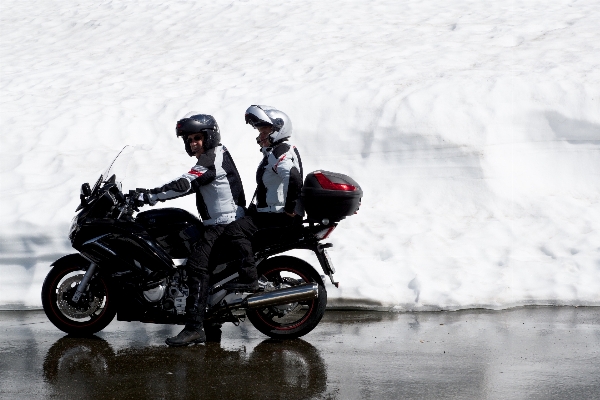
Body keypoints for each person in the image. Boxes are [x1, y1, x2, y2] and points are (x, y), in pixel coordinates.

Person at [135, 112, 246, 346]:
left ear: (210, 136)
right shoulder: (214, 155)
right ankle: (211, 316)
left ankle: (194, 327)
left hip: (224, 224)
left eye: (197, 138)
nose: (193, 143)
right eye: (189, 139)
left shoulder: (211, 159)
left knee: (197, 266)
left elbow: (185, 184)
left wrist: (151, 195)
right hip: (222, 221)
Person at [220, 105, 303, 291]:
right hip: (270, 212)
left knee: (235, 231)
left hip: (278, 216)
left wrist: (290, 208)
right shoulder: (277, 151)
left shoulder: (280, 151)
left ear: (277, 130)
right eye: (259, 130)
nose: (260, 135)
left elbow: (294, 177)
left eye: (265, 130)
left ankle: (249, 279)